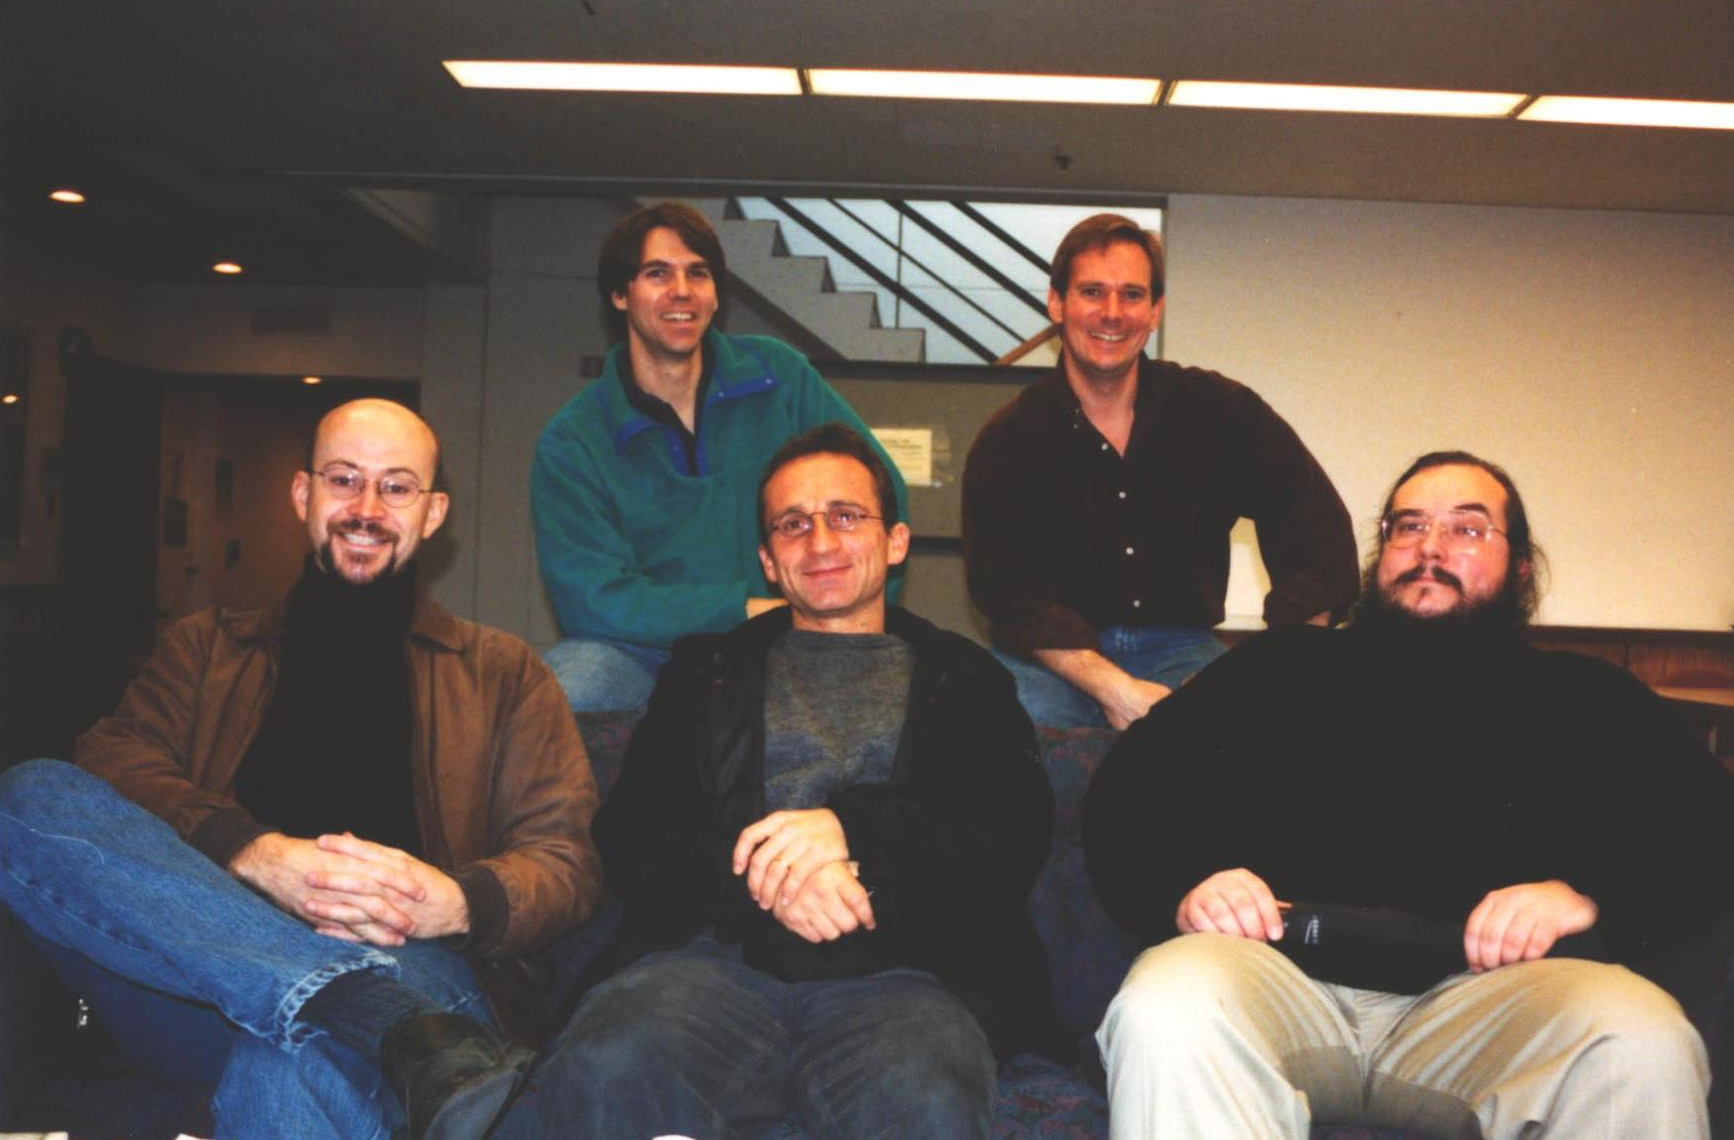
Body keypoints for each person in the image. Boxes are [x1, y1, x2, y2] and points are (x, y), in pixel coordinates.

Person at [1083, 450, 1734, 1139]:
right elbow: (1127, 797)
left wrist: (1591, 897)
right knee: (1166, 1005)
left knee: (1640, 1038)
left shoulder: (1586, 696)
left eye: (1467, 528)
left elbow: (1710, 834)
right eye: (1409, 525)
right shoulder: (1279, 667)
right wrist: (1190, 884)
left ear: (1520, 567)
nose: (1431, 548)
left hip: (1491, 1003)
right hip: (1276, 981)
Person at [0, 399, 603, 1140]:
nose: (367, 508)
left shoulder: (504, 674)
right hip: (203, 971)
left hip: (414, 963)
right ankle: (369, 1016)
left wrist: (455, 901)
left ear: (433, 513)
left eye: (397, 487)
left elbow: (566, 859)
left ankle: (357, 1012)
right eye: (343, 479)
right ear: (302, 494)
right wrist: (255, 855)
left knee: (286, 1058)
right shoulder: (205, 648)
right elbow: (114, 764)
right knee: (29, 792)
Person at [525, 422, 1061, 1138]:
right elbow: (635, 836)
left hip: (906, 976)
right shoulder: (704, 673)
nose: (821, 542)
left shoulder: (966, 680)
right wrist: (775, 882)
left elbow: (1007, 835)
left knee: (925, 1094)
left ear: (896, 541)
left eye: (846, 516)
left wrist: (849, 829)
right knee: (610, 1060)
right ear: (768, 562)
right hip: (710, 966)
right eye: (793, 524)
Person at [962, 213, 1358, 729]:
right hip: (1055, 663)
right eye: (1092, 292)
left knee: (1250, 735)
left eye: (1131, 295)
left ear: (1155, 311)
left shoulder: (1218, 411)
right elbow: (1007, 593)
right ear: (1056, 303)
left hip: (1184, 650)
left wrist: (1279, 658)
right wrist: (1117, 690)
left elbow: (1318, 533)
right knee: (1008, 734)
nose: (1112, 314)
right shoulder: (1009, 440)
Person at [531, 201, 906, 713]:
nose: (681, 291)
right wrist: (742, 609)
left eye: (698, 273)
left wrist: (842, 611)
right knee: (565, 691)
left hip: (788, 637)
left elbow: (883, 495)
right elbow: (592, 599)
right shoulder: (573, 442)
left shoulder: (779, 377)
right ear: (619, 294)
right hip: (646, 654)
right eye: (657, 273)